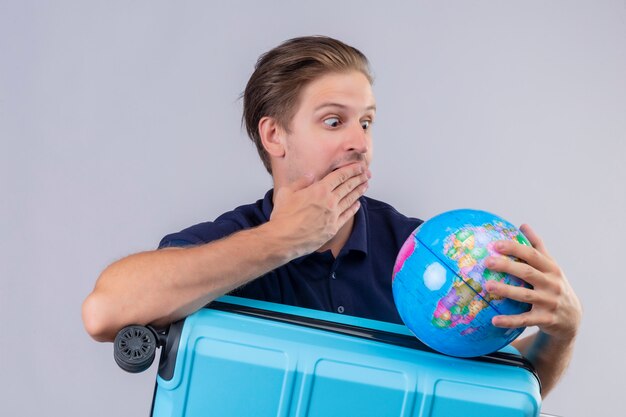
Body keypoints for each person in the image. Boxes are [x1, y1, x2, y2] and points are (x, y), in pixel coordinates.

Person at [82, 35, 582, 397]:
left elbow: (510, 390)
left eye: (366, 122)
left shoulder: (427, 256)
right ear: (275, 136)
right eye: (333, 121)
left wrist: (562, 331)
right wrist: (284, 239)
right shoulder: (230, 242)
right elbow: (105, 312)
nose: (360, 143)